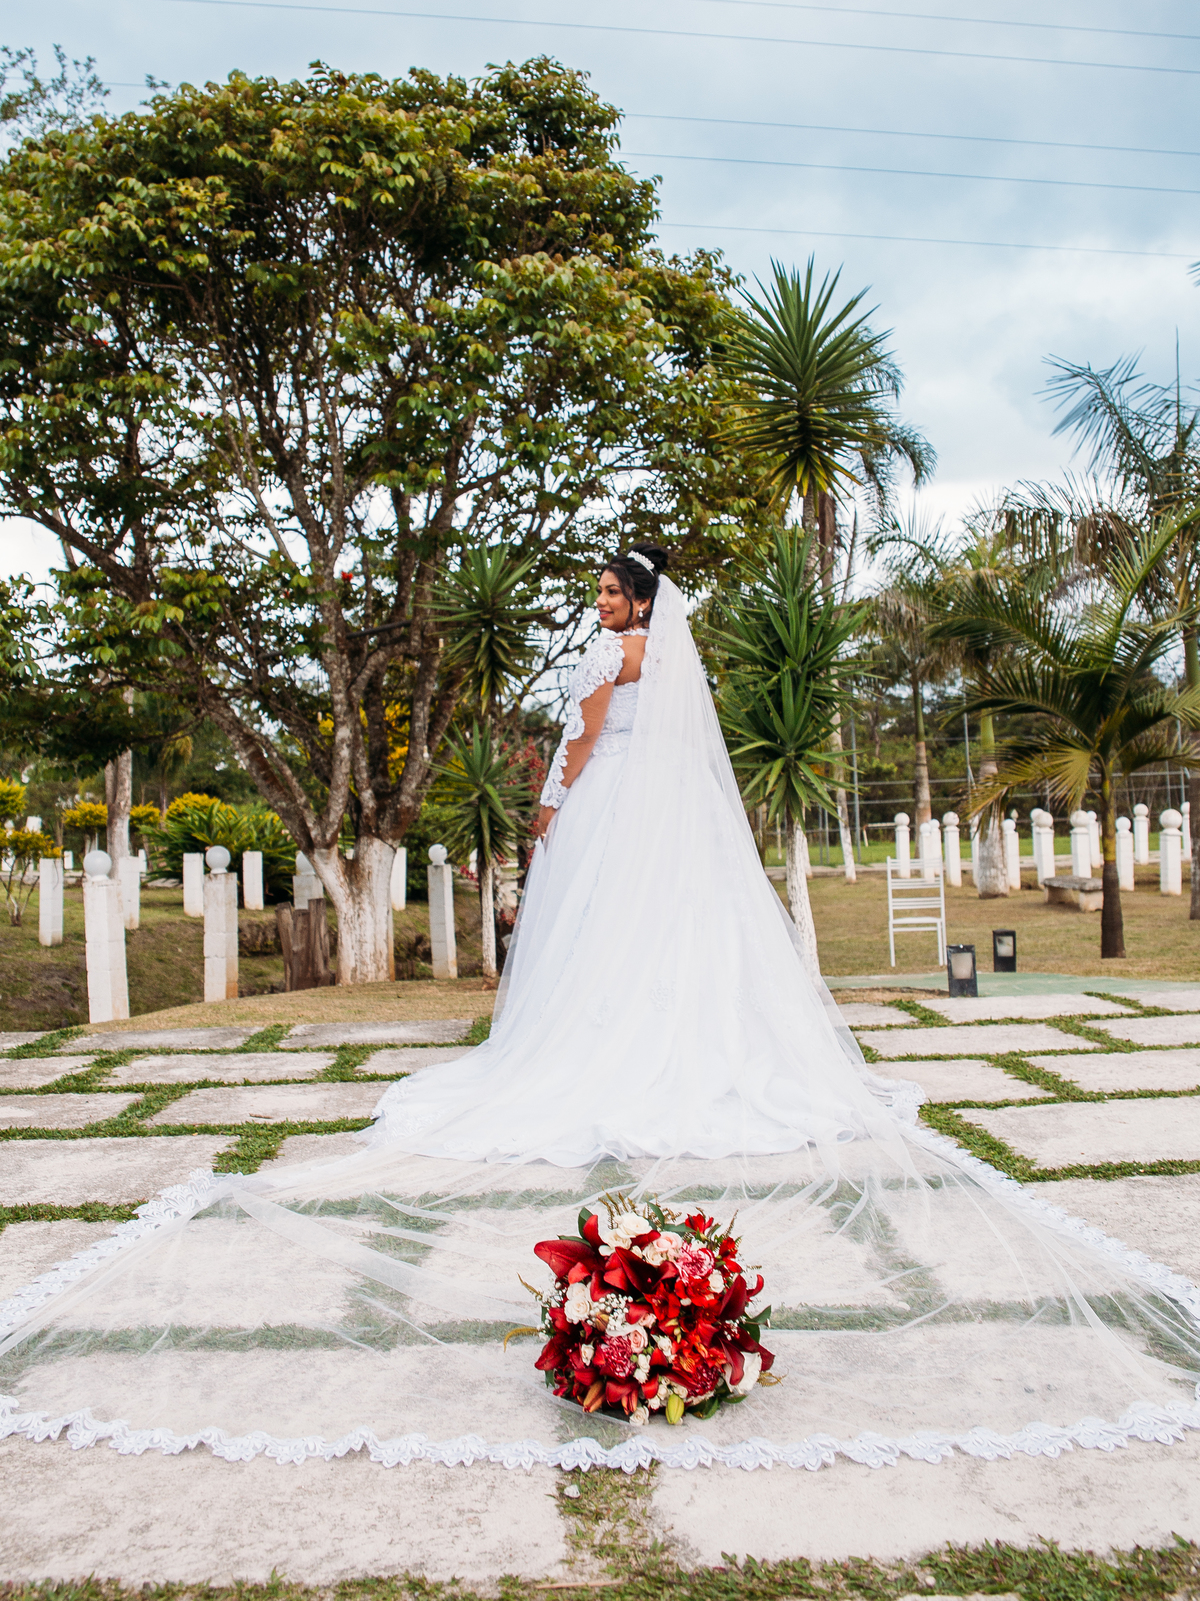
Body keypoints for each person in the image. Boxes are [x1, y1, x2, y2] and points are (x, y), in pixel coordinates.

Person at [2, 544, 1199, 1474]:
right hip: (657, 821)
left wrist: (547, 812)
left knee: (591, 943)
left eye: (610, 591)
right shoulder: (670, 669)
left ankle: (597, 1044)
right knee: (654, 937)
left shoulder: (611, 667)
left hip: (605, 812)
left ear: (638, 601)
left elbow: (577, 744)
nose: (599, 601)